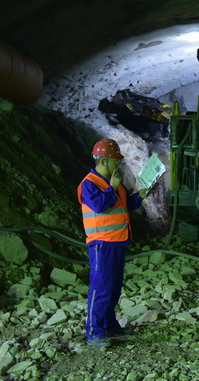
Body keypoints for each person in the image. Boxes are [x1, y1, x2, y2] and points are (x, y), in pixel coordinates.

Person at [77, 138, 149, 348]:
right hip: (101, 244)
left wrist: (139, 196)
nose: (118, 165)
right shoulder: (89, 184)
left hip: (117, 243)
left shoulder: (114, 183)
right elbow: (99, 205)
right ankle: (94, 332)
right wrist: (112, 187)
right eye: (115, 161)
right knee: (101, 288)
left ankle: (109, 325)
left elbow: (124, 206)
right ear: (103, 161)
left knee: (113, 287)